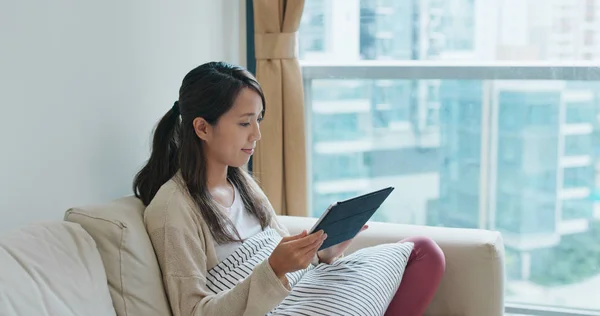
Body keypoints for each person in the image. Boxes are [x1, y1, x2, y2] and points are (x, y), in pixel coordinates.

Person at [134, 61, 445, 316]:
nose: (256, 134)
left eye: (259, 120)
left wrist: (323, 252)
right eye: (244, 123)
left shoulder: (241, 184)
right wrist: (273, 268)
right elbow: (193, 311)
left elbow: (288, 265)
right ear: (202, 127)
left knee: (423, 251)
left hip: (300, 293)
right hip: (275, 306)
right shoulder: (172, 210)